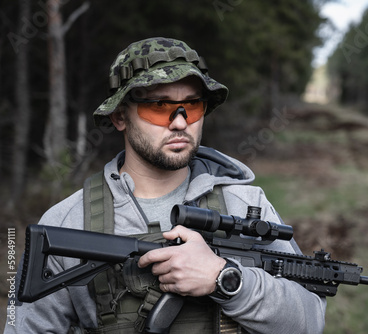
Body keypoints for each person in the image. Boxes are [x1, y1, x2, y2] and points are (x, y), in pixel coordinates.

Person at [4, 37, 326, 334]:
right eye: (159, 106)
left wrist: (225, 279)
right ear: (120, 116)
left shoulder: (243, 204)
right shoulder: (66, 223)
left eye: (193, 105)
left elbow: (310, 320)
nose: (180, 122)